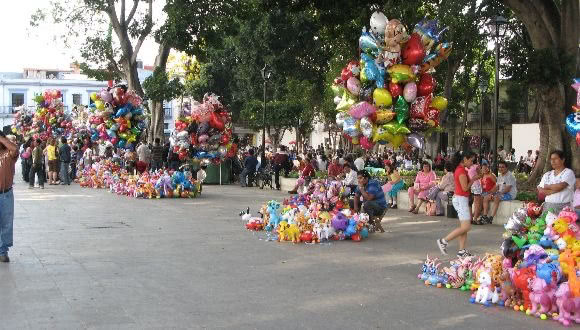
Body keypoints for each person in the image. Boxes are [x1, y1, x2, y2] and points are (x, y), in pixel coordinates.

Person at [437, 150, 481, 258]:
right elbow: (465, 187)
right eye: (471, 160)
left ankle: (462, 251)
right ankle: (444, 241)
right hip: (461, 199)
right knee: (466, 227)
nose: (472, 163)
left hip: (461, 199)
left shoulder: (461, 169)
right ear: (464, 159)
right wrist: (474, 179)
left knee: (464, 227)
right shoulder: (461, 171)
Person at [537, 150, 576, 214]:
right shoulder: (547, 174)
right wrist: (555, 190)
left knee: (561, 224)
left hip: (564, 208)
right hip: (548, 206)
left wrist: (547, 186)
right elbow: (541, 190)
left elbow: (560, 186)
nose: (552, 161)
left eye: (555, 159)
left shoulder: (568, 172)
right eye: (551, 159)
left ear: (563, 160)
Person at [0, 130, 19, 262]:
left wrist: (1, 138)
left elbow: (14, 149)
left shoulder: (8, 154)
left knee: (6, 224)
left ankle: (3, 251)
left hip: (6, 194)